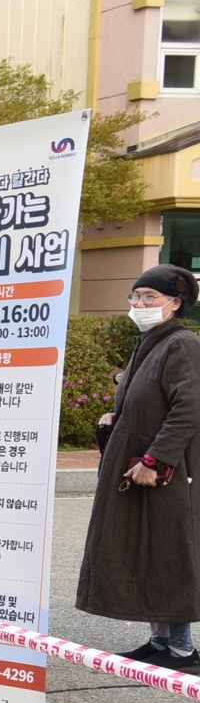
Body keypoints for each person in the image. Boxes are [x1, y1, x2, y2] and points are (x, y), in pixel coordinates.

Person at [77, 264, 200, 671]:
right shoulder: (150, 342)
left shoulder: (180, 344)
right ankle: (160, 641)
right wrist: (119, 417)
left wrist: (155, 459)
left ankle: (182, 650)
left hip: (162, 471)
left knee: (168, 551)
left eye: (150, 297)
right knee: (146, 552)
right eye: (135, 296)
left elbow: (188, 409)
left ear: (175, 303)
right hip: (136, 466)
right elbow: (148, 400)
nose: (139, 304)